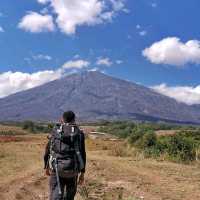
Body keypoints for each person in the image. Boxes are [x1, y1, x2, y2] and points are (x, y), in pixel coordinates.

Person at [44, 111, 86, 200]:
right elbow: (82, 153)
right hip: (73, 170)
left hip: (57, 168)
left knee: (55, 194)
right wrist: (82, 173)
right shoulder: (79, 134)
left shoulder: (56, 131)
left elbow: (48, 149)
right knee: (70, 196)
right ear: (74, 120)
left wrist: (46, 166)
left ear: (62, 119)